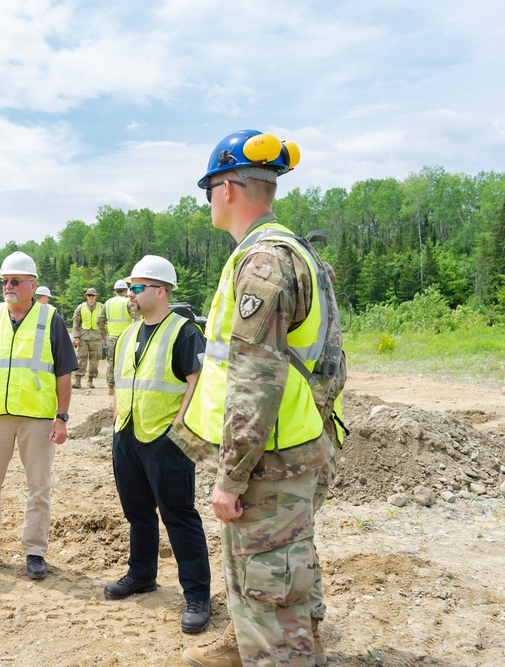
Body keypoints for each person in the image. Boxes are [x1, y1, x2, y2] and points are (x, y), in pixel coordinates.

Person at [172, 130, 346, 667]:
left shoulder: (263, 263)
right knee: (290, 581)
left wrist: (231, 476)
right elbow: (331, 365)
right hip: (292, 450)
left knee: (265, 598)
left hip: (267, 462)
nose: (208, 202)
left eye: (208, 190)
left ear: (226, 189)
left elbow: (257, 377)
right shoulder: (293, 252)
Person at [105, 256, 212, 634]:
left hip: (166, 439)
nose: (130, 294)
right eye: (130, 288)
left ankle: (198, 596)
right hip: (129, 433)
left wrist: (179, 426)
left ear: (161, 290)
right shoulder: (129, 334)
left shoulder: (184, 332)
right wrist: (119, 416)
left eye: (137, 288)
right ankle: (141, 575)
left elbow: (198, 381)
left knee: (179, 515)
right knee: (138, 513)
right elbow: (118, 380)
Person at [0, 251, 78, 580]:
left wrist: (61, 416)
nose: (8, 286)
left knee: (39, 487)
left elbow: (64, 372)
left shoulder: (50, 318)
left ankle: (35, 552)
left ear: (32, 284)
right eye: (4, 281)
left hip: (38, 419)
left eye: (15, 281)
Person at [97, 279, 134, 396]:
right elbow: (137, 319)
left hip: (111, 338)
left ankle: (110, 387)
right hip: (127, 337)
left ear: (115, 291)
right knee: (127, 362)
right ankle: (124, 386)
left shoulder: (107, 303)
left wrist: (103, 334)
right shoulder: (129, 302)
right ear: (126, 291)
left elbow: (100, 320)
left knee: (111, 362)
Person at [72, 287, 103, 389]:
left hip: (96, 337)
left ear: (96, 296)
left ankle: (90, 380)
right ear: (86, 296)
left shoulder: (101, 307)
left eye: (93, 295)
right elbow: (76, 323)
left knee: (94, 360)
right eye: (89, 295)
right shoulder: (80, 307)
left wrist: (104, 334)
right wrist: (76, 337)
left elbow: (104, 321)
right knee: (81, 358)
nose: (91, 297)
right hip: (83, 336)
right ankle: (78, 381)